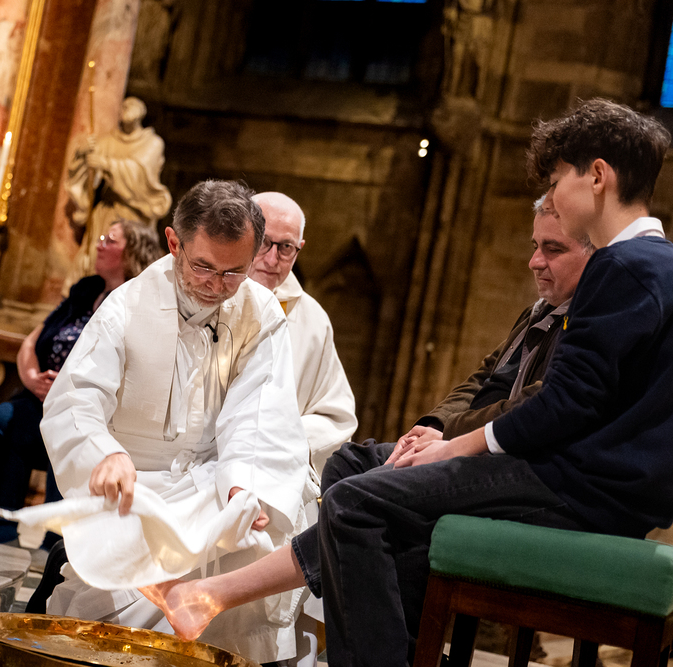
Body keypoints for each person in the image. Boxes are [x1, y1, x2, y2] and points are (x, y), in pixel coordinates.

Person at [140, 194, 598, 658]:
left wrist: (450, 439)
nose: (534, 261)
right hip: (477, 444)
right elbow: (483, 378)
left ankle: (223, 598)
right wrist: (433, 425)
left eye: (552, 249)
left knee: (355, 502)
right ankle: (396, 649)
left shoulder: (589, 318)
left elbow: (540, 402)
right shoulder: (540, 311)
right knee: (349, 464)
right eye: (535, 246)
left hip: (519, 462)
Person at [40, 180, 310, 664]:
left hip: (212, 478)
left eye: (233, 272)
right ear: (173, 243)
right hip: (135, 484)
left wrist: (244, 482)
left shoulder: (260, 310)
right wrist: (106, 454)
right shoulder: (125, 307)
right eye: (203, 266)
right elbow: (76, 400)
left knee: (260, 532)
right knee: (102, 611)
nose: (216, 285)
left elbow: (259, 408)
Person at [0, 219, 163, 545]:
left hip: (95, 409)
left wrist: (69, 387)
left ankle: (58, 540)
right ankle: (1, 526)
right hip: (43, 399)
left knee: (67, 434)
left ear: (133, 252)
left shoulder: (138, 302)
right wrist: (33, 379)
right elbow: (32, 341)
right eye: (101, 238)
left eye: (110, 240)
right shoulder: (85, 290)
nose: (99, 244)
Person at [247, 191, 357, 667]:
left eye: (286, 248)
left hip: (273, 470)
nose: (273, 259)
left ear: (300, 249)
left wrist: (276, 439)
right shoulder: (210, 291)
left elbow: (337, 416)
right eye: (264, 243)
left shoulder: (311, 320)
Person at [66, 97, 173, 277]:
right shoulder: (108, 141)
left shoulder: (152, 143)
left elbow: (139, 174)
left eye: (131, 106)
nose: (126, 108)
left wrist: (106, 164)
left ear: (142, 113)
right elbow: (89, 176)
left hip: (133, 216)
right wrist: (82, 154)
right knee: (94, 261)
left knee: (127, 266)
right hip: (107, 213)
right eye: (124, 106)